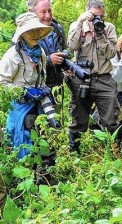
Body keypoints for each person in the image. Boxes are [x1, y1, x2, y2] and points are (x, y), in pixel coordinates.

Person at [0, 12, 57, 184]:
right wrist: (24, 92)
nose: (35, 34)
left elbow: (41, 76)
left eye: (37, 29)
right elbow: (2, 82)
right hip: (20, 107)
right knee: (24, 143)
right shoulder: (13, 55)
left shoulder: (40, 52)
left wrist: (42, 90)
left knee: (46, 139)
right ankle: (27, 183)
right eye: (30, 30)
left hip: (38, 104)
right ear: (22, 33)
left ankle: (45, 180)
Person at [66, 0, 118, 153]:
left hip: (104, 78)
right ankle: (74, 152)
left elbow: (111, 53)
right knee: (79, 120)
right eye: (95, 16)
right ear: (87, 13)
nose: (98, 19)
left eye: (101, 16)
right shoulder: (78, 26)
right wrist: (80, 22)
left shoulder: (109, 28)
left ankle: (113, 150)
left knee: (110, 119)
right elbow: (72, 46)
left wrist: (100, 34)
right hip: (83, 78)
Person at [27, 0, 67, 89]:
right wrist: (48, 60)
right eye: (43, 12)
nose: (48, 15)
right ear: (31, 12)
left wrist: (64, 59)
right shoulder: (24, 34)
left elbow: (64, 48)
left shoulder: (57, 29)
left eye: (49, 10)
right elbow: (22, 63)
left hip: (57, 87)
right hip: (35, 89)